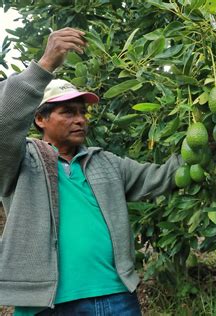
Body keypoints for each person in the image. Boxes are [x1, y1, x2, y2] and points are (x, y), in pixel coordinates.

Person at [0, 28, 181, 315]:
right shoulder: (19, 161)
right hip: (45, 304)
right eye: (68, 112)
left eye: (83, 112)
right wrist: (46, 64)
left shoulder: (106, 162)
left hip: (116, 297)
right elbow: (4, 122)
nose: (80, 119)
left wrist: (206, 138)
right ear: (40, 118)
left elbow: (164, 176)